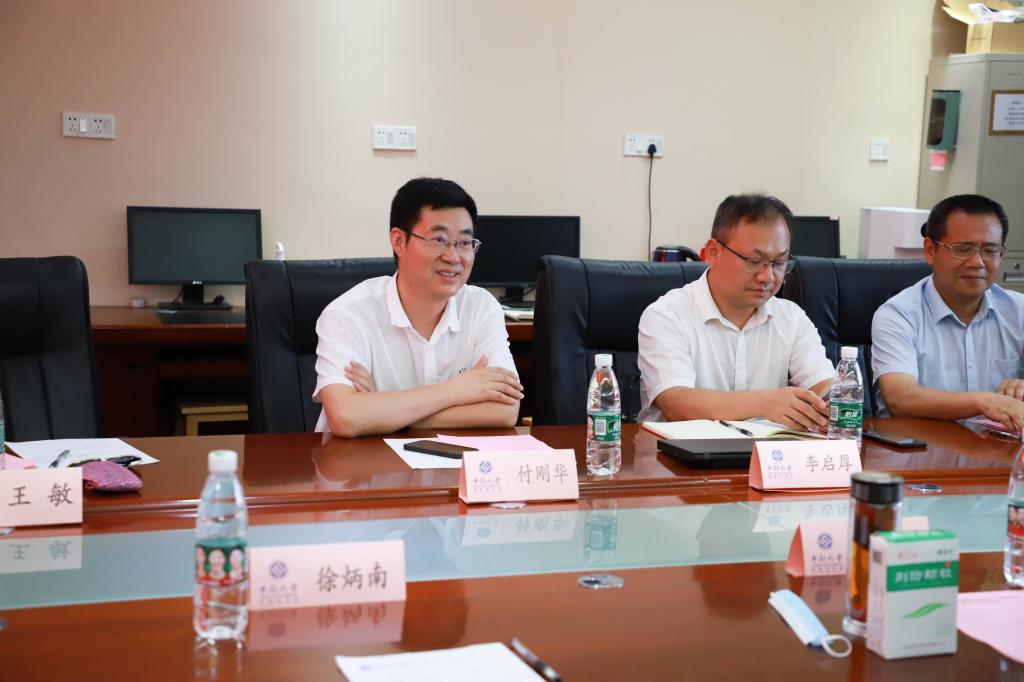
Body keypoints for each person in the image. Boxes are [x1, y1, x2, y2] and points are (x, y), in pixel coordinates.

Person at [313, 178, 523, 437]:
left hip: (450, 461)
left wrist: (383, 412)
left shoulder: (481, 307)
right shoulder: (348, 314)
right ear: (399, 241)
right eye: (439, 240)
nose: (453, 257)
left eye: (464, 242)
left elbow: (505, 410)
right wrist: (456, 391)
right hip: (357, 461)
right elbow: (347, 416)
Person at [637, 193, 834, 429]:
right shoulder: (666, 315)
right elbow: (676, 404)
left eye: (779, 263)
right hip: (679, 451)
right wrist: (764, 403)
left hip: (768, 450)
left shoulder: (792, 318)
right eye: (753, 261)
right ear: (713, 252)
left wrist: (831, 403)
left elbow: (824, 386)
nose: (768, 277)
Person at [872, 194, 1024, 431]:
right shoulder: (898, 315)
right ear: (930, 250)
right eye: (963, 249)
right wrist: (983, 401)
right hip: (921, 450)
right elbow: (899, 398)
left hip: (998, 451)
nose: (977, 262)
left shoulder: (1018, 310)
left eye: (990, 250)